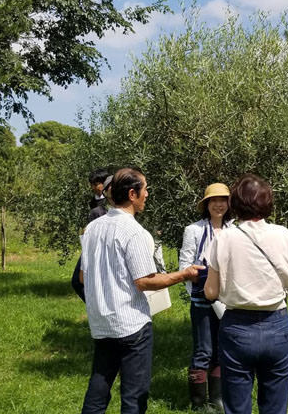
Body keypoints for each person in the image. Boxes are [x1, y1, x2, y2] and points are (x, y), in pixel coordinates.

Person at [79, 167, 203, 414]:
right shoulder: (133, 231)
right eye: (145, 189)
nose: (148, 194)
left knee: (99, 385)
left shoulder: (92, 228)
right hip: (131, 324)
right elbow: (145, 281)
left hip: (101, 322)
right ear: (133, 194)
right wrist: (185, 274)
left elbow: (83, 277)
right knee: (134, 396)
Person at [204, 174, 288, 414]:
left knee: (236, 405)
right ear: (268, 202)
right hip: (276, 323)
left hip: (237, 326)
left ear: (235, 203)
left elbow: (210, 291)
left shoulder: (223, 238)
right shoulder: (284, 235)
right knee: (275, 404)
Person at [179, 183, 233, 410]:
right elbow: (185, 267)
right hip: (202, 302)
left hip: (228, 301)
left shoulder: (235, 230)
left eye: (223, 200)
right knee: (203, 349)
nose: (218, 204)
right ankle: (199, 402)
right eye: (214, 200)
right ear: (207, 204)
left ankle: (217, 399)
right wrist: (204, 280)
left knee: (221, 350)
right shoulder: (194, 230)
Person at [72, 174, 113, 302]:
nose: (94, 187)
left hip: (102, 245)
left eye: (96, 184)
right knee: (78, 281)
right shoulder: (92, 203)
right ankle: (95, 306)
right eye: (92, 184)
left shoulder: (109, 204)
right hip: (90, 244)